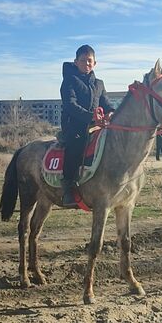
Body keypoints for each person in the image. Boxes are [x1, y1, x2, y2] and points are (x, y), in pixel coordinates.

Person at [60, 45, 115, 207]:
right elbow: (70, 104)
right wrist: (91, 116)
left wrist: (110, 113)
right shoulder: (69, 80)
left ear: (95, 63)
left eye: (89, 61)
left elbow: (106, 103)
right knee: (77, 145)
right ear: (76, 62)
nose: (86, 64)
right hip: (74, 126)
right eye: (83, 60)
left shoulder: (99, 84)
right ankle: (68, 187)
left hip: (96, 126)